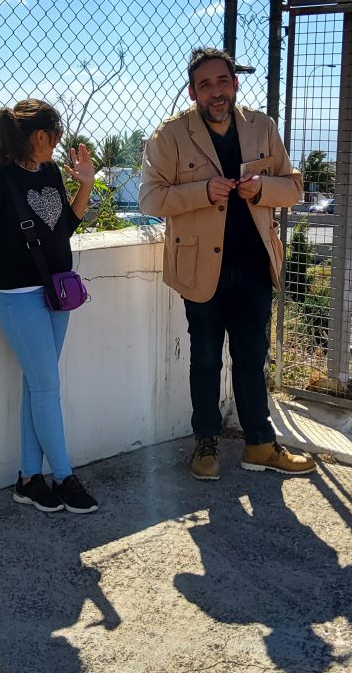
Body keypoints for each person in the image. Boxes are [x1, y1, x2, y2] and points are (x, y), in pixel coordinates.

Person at [140, 47, 316, 480]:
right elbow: (150, 198)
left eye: (223, 81)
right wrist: (202, 191)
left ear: (235, 84)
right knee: (204, 359)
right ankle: (206, 443)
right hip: (200, 271)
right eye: (205, 85)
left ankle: (259, 443)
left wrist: (260, 188)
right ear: (192, 92)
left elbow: (293, 188)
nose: (216, 91)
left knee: (252, 357)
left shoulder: (262, 127)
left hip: (255, 264)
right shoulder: (169, 136)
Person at [0, 99, 99, 514]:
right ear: (40, 136)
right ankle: (64, 476)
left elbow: (63, 227)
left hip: (57, 292)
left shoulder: (51, 173)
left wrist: (85, 184)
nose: (58, 144)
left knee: (37, 387)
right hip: (18, 298)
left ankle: (27, 479)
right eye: (55, 136)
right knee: (46, 387)